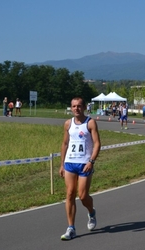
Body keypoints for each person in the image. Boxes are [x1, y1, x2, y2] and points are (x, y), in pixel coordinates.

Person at [59, 97, 101, 240]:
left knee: (83, 196)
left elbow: (97, 144)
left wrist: (91, 161)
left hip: (84, 163)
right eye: (73, 106)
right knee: (70, 194)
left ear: (84, 107)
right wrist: (62, 164)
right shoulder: (67, 124)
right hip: (70, 163)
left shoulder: (90, 123)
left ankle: (91, 212)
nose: (76, 108)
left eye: (79, 106)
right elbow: (65, 144)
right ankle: (71, 228)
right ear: (71, 108)